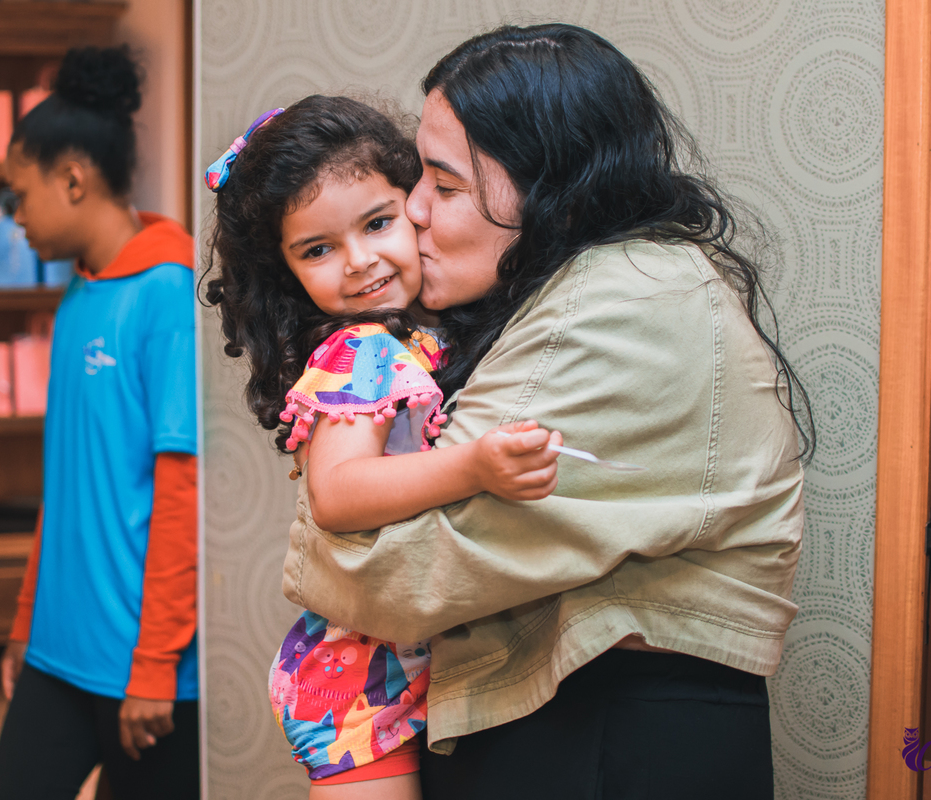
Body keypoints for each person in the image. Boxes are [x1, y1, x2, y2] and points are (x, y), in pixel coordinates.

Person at [280, 24, 813, 800]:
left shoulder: (615, 306)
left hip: (612, 736)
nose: (413, 209)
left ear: (554, 196)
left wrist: (321, 528)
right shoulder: (600, 284)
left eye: (444, 185)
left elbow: (389, 578)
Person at [205, 95, 561, 798]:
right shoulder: (361, 349)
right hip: (360, 691)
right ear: (286, 272)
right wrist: (475, 466)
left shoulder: (420, 336)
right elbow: (338, 495)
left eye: (377, 223)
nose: (360, 261)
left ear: (417, 205)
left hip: (415, 671)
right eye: (318, 250)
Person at [0, 45, 200, 800]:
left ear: (72, 180)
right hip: (56, 652)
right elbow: (67, 483)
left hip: (143, 670)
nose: (15, 218)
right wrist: (25, 621)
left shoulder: (168, 293)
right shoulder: (79, 295)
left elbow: (182, 494)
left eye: (20, 196)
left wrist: (155, 665)